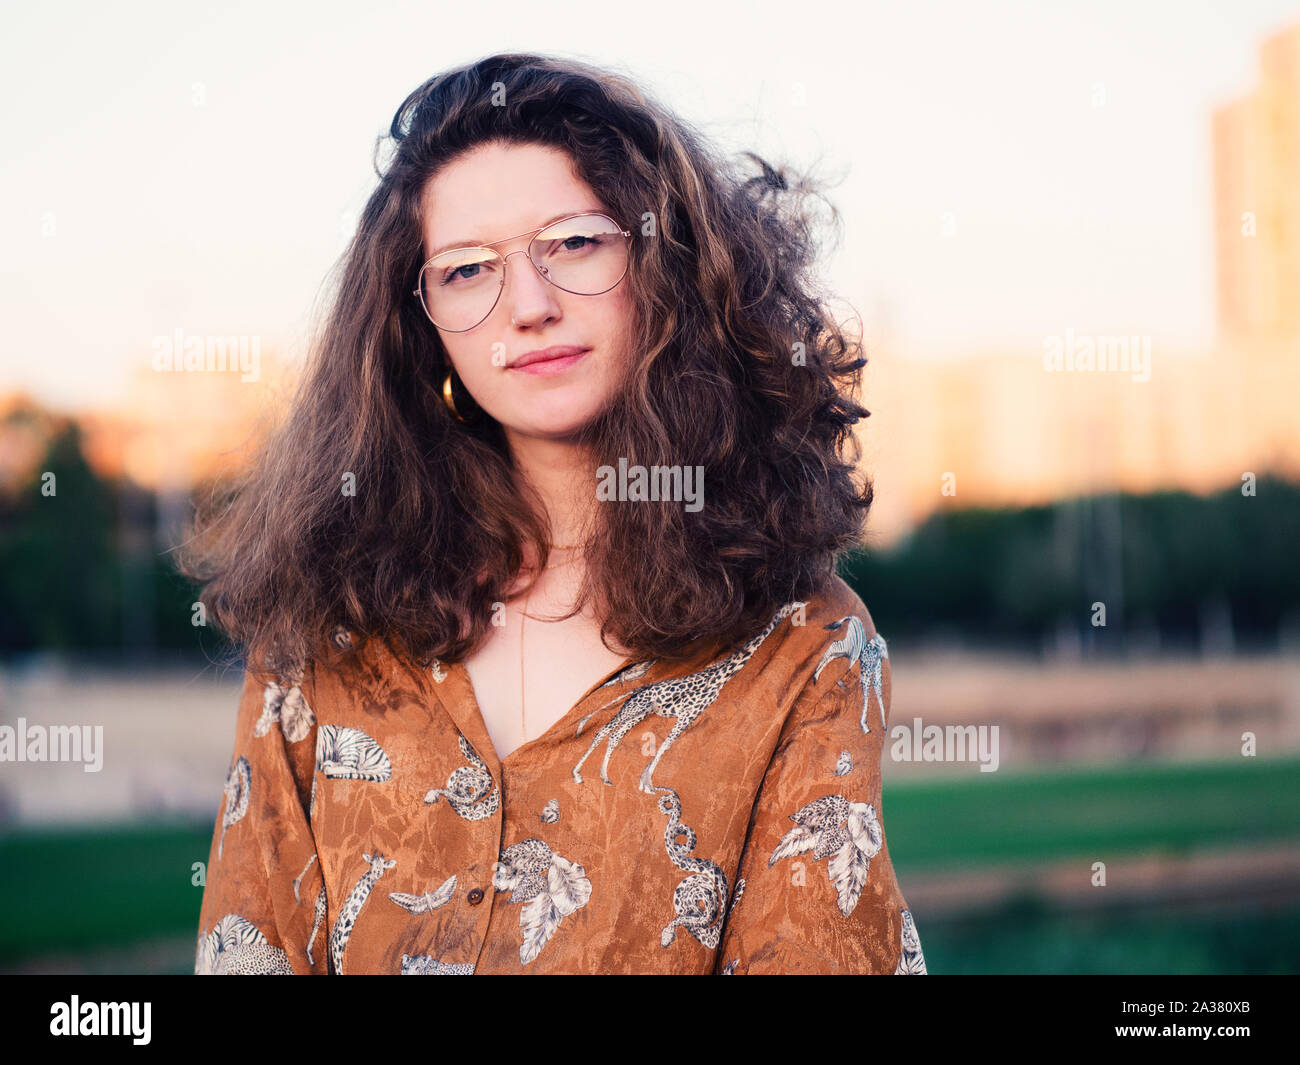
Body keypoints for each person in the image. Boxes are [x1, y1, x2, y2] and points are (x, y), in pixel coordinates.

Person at [180, 51, 926, 975]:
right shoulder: (328, 626)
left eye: (573, 243)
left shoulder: (805, 647)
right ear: (424, 325)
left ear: (664, 262)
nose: (526, 306)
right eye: (464, 270)